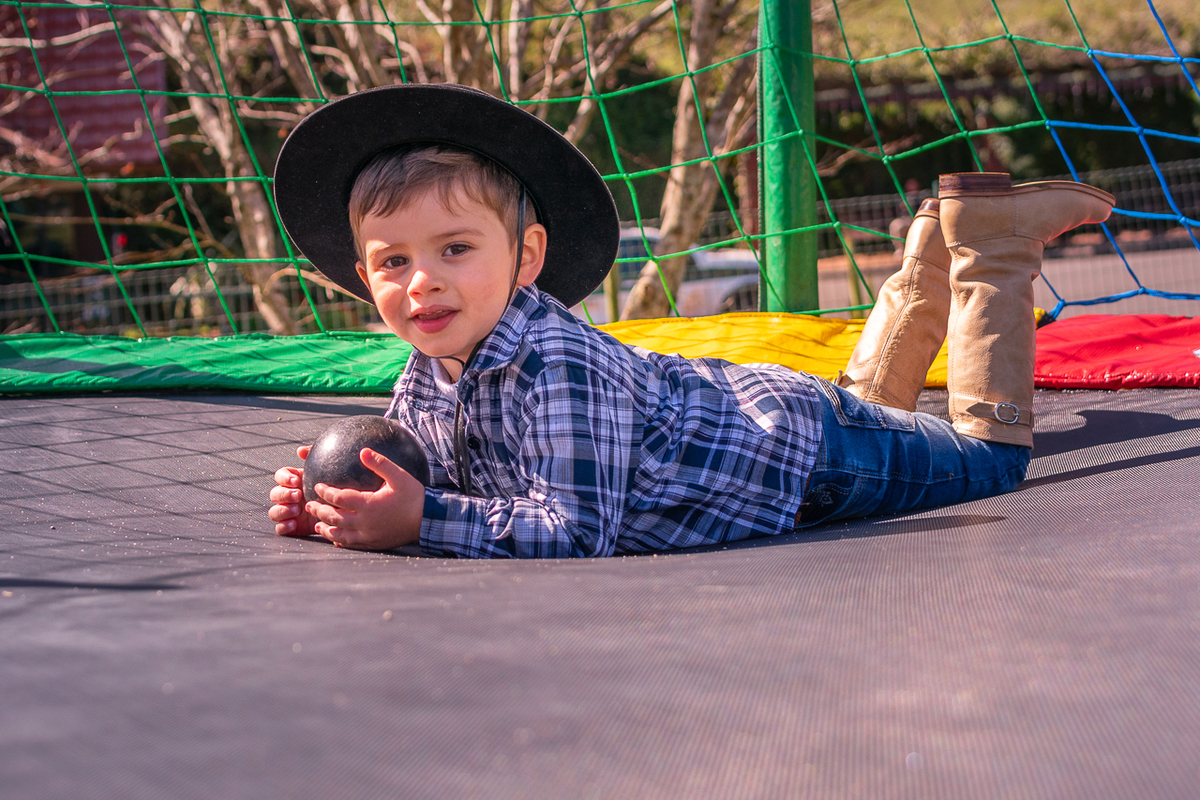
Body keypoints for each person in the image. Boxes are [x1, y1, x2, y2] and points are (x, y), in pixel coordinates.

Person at [267, 84, 1114, 558]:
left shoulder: (554, 364)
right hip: (768, 418)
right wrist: (343, 501)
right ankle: (936, 243)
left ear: (527, 257)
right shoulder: (425, 372)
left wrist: (422, 522)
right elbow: (459, 478)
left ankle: (993, 248)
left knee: (992, 463)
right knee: (873, 404)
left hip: (811, 460)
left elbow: (573, 528)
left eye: (455, 249)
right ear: (363, 275)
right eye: (393, 262)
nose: (422, 283)